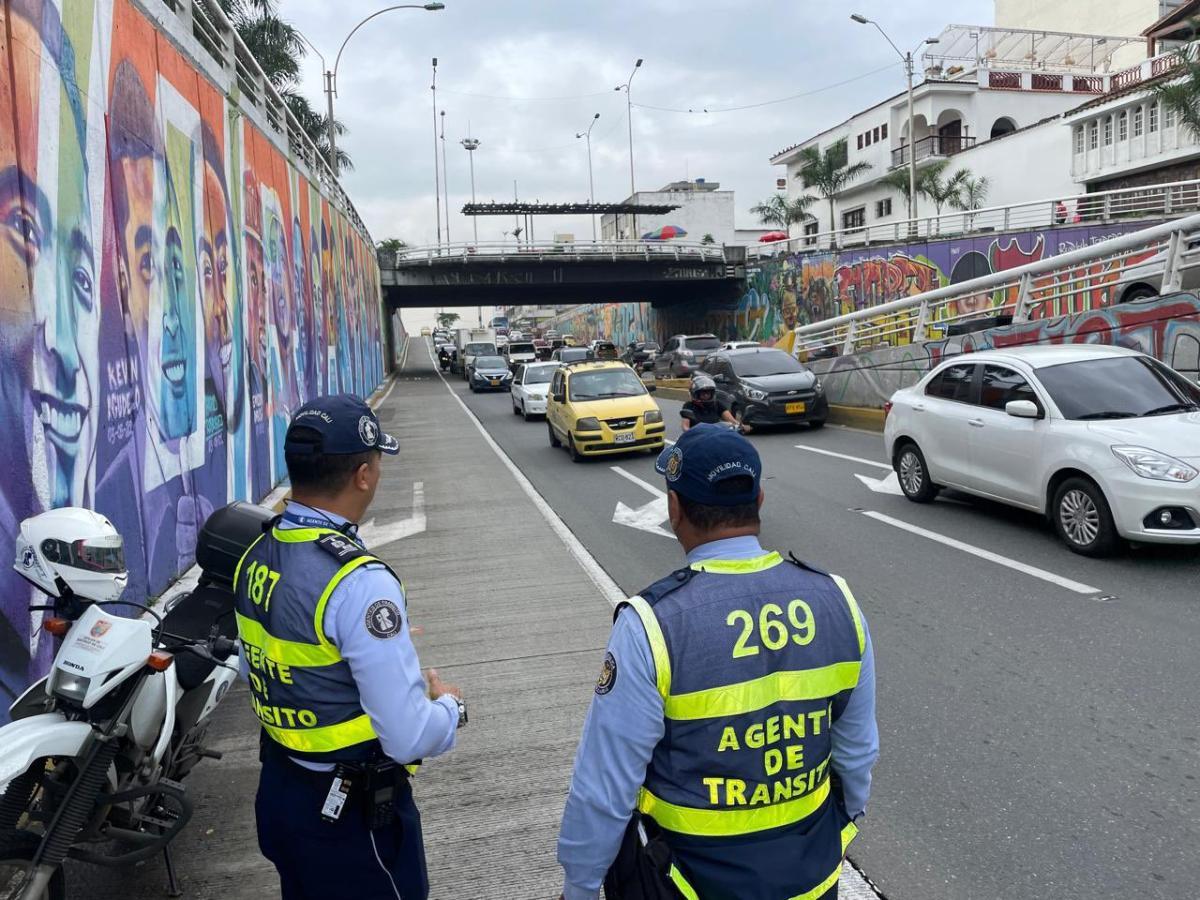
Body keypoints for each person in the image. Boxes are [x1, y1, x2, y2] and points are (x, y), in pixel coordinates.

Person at [557, 424, 878, 900]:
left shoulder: (652, 625)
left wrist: (580, 888)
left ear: (673, 509)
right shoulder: (839, 602)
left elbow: (604, 790)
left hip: (686, 883)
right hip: (811, 878)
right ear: (760, 500)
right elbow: (856, 755)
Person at [234, 394, 467, 899]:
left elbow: (261, 658)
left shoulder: (255, 551)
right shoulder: (358, 582)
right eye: (378, 461)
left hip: (281, 791)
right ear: (363, 474)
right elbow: (407, 736)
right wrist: (450, 707)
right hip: (350, 820)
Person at [680, 374, 745, 433]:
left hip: (716, 436)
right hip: (697, 438)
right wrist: (690, 432)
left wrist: (740, 426)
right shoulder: (688, 406)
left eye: (708, 393)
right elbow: (685, 426)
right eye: (703, 393)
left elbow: (732, 421)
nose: (706, 395)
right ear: (695, 394)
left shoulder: (717, 404)